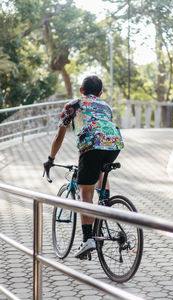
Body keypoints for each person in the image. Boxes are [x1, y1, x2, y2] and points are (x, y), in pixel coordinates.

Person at [43, 75, 124, 258]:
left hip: (91, 146)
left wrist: (50, 158)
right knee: (100, 171)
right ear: (101, 93)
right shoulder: (106, 106)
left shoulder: (73, 105)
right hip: (115, 144)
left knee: (85, 192)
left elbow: (59, 137)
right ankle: (105, 203)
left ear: (81, 90)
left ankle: (88, 239)